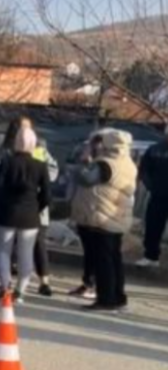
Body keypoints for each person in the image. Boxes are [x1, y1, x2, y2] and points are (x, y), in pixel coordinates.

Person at [70, 129, 138, 311]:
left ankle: (106, 299)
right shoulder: (128, 163)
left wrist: (83, 161)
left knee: (103, 261)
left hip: (101, 217)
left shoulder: (106, 164)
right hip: (115, 219)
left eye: (98, 142)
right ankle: (118, 297)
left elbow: (86, 178)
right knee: (114, 259)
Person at [0, 128, 51, 304]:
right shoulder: (40, 165)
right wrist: (37, 206)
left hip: (7, 213)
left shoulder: (6, 162)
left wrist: (1, 202)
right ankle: (20, 290)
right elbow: (47, 194)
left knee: (3, 251)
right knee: (26, 253)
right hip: (30, 215)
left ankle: (5, 286)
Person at [136, 130, 168, 268]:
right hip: (158, 194)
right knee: (153, 226)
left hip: (158, 193)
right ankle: (151, 256)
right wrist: (152, 186)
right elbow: (144, 169)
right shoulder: (155, 150)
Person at [33, 138, 59, 296]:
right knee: (39, 246)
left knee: (33, 245)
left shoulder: (36, 156)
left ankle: (9, 283)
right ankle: (44, 281)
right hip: (40, 211)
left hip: (28, 209)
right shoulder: (47, 160)